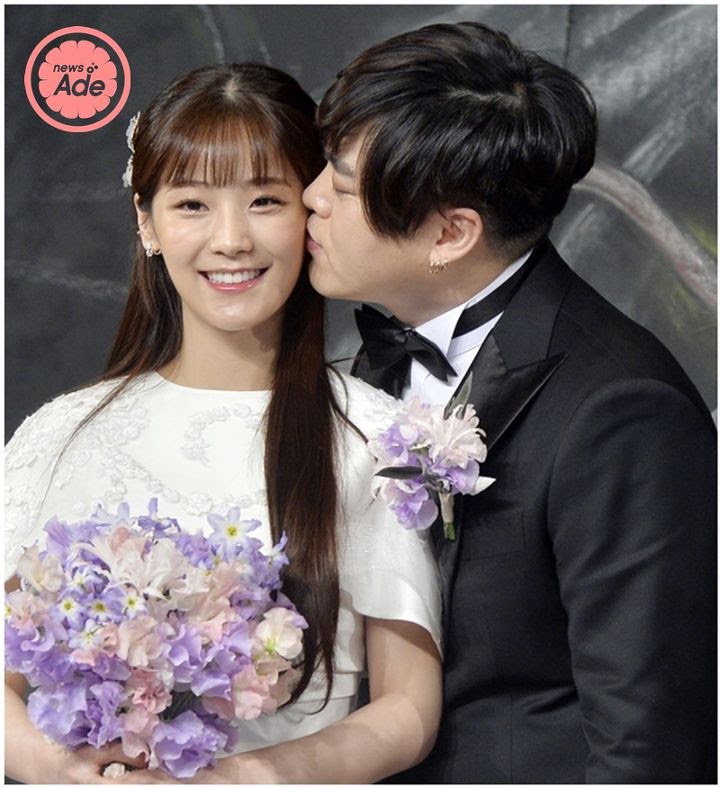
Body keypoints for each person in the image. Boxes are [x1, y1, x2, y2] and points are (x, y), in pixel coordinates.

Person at [4, 63, 442, 785]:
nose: (232, 239)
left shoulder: (375, 438)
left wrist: (232, 781)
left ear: (311, 210)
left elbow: (408, 710)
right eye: (193, 205)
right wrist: (67, 772)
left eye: (265, 200)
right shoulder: (60, 435)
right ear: (147, 222)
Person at [303, 21, 717, 784]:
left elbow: (648, 745)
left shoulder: (623, 412)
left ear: (450, 233)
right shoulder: (381, 354)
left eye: (342, 184)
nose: (309, 198)